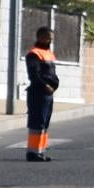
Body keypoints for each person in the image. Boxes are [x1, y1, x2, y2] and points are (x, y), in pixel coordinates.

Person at [25, 27, 59, 161]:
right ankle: (33, 152)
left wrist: (53, 86)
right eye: (48, 37)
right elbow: (34, 74)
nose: (50, 40)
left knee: (45, 123)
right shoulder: (34, 54)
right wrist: (45, 86)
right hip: (39, 93)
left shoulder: (48, 53)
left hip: (48, 94)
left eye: (51, 37)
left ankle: (41, 151)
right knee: (37, 122)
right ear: (40, 37)